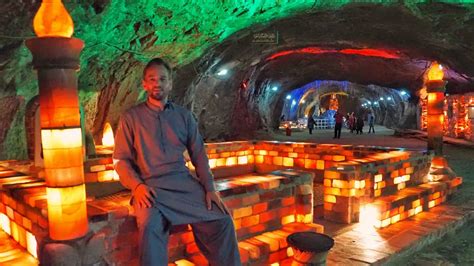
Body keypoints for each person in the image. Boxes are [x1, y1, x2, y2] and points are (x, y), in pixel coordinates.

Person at [113, 58, 241, 265]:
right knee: (149, 227)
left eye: (162, 79)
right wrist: (136, 186)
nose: (157, 84)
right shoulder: (131, 118)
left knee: (222, 220)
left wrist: (209, 188)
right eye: (152, 79)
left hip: (184, 185)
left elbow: (199, 154)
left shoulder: (184, 116)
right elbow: (120, 160)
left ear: (170, 83)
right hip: (150, 189)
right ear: (145, 84)